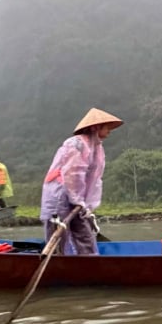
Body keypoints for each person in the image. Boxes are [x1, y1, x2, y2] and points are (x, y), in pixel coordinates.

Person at [40, 107, 123, 255]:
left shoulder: (97, 148)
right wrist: (77, 199)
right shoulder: (76, 144)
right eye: (107, 127)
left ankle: (88, 262)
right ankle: (58, 262)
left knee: (85, 234)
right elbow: (73, 174)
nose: (110, 130)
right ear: (96, 127)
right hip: (60, 194)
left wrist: (86, 204)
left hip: (78, 199)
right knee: (58, 236)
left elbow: (95, 179)